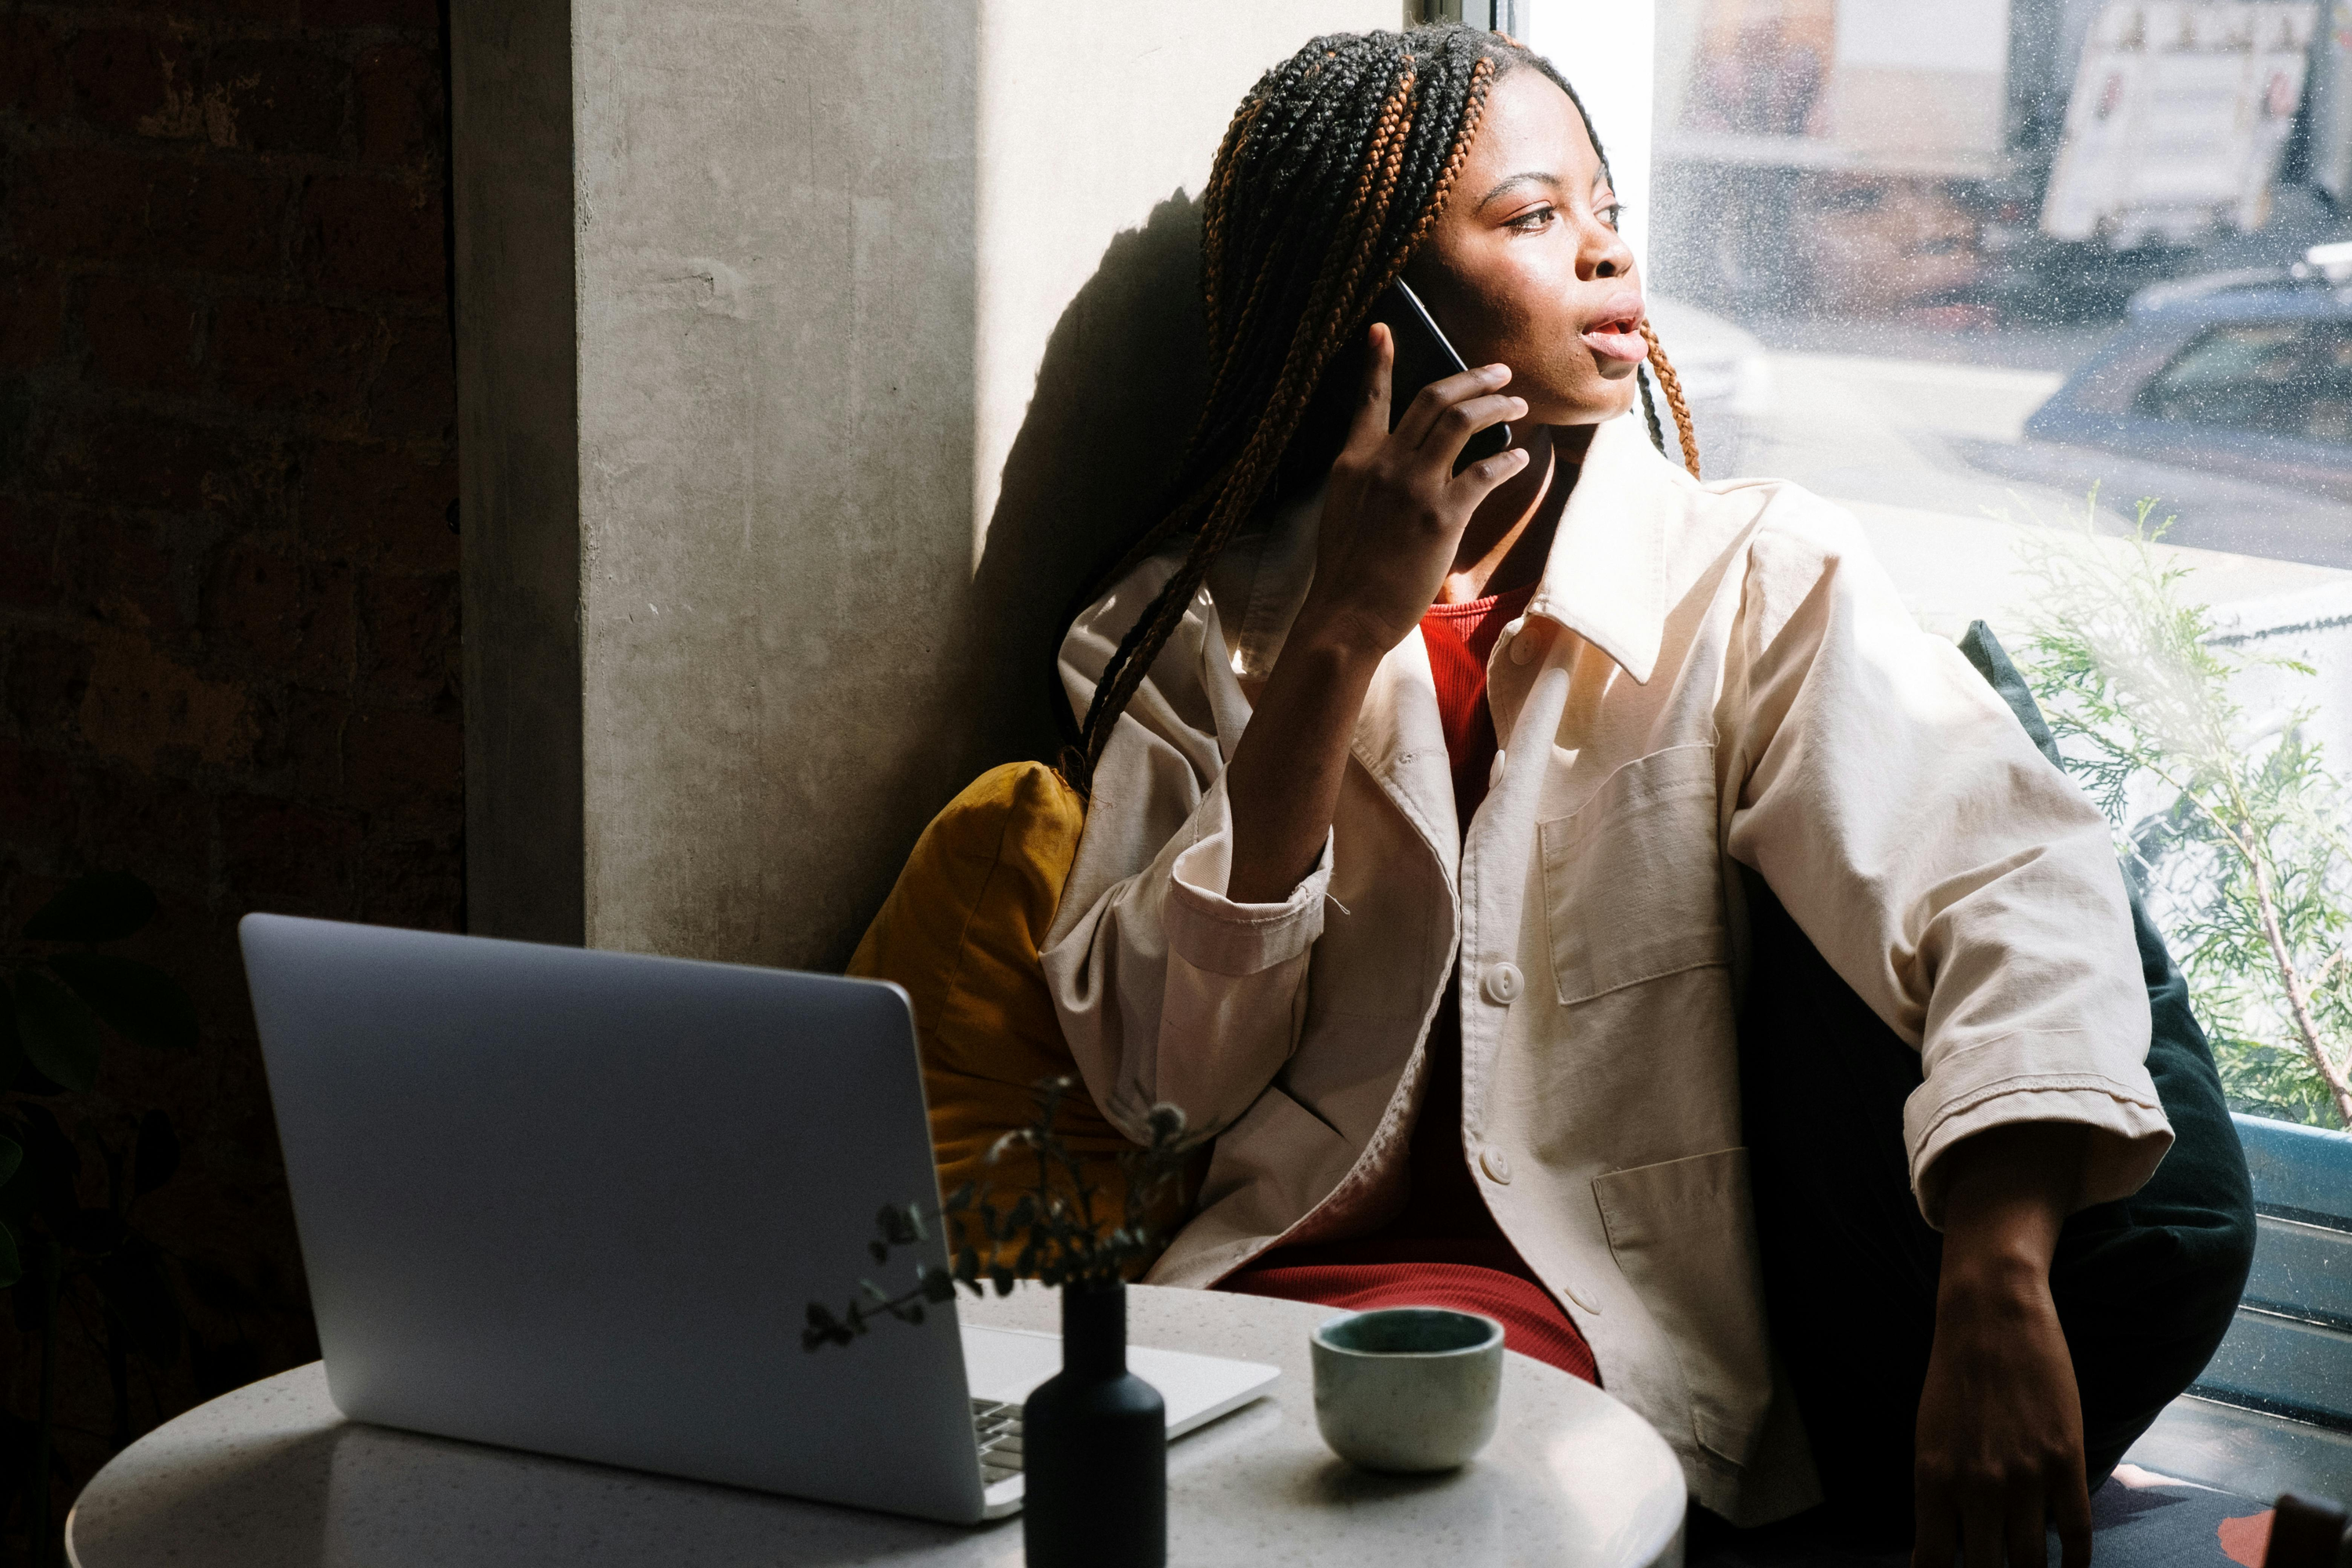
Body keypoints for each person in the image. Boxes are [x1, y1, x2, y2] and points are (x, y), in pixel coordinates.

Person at [1036, 24, 2248, 1564]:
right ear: (1379, 303)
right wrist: (1340, 636)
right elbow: (1159, 1077)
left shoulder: (1751, 576)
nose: (1609, 249)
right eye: (1538, 217)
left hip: (1585, 1366)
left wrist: (1996, 1275)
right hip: (1243, 1339)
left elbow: (2008, 883)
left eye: (1606, 204)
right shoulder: (1181, 624)